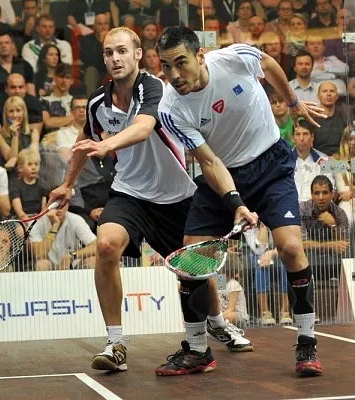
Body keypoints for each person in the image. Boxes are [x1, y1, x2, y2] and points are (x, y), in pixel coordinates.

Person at [47, 27, 252, 375]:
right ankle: (115, 343)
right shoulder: (99, 101)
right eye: (109, 53)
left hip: (177, 197)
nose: (115, 59)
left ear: (138, 54)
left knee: (195, 273)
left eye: (122, 51)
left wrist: (108, 145)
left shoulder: (155, 88)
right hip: (130, 194)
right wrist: (67, 184)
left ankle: (217, 322)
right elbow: (86, 136)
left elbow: (143, 127)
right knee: (107, 246)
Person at [156, 26, 326, 376]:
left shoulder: (234, 58)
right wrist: (235, 202)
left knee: (291, 248)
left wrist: (292, 102)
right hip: (224, 175)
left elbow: (270, 64)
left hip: (271, 165)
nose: (173, 75)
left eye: (180, 63)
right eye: (165, 66)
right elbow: (209, 162)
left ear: (200, 56)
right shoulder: (170, 108)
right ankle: (199, 349)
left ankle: (307, 342)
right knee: (191, 259)